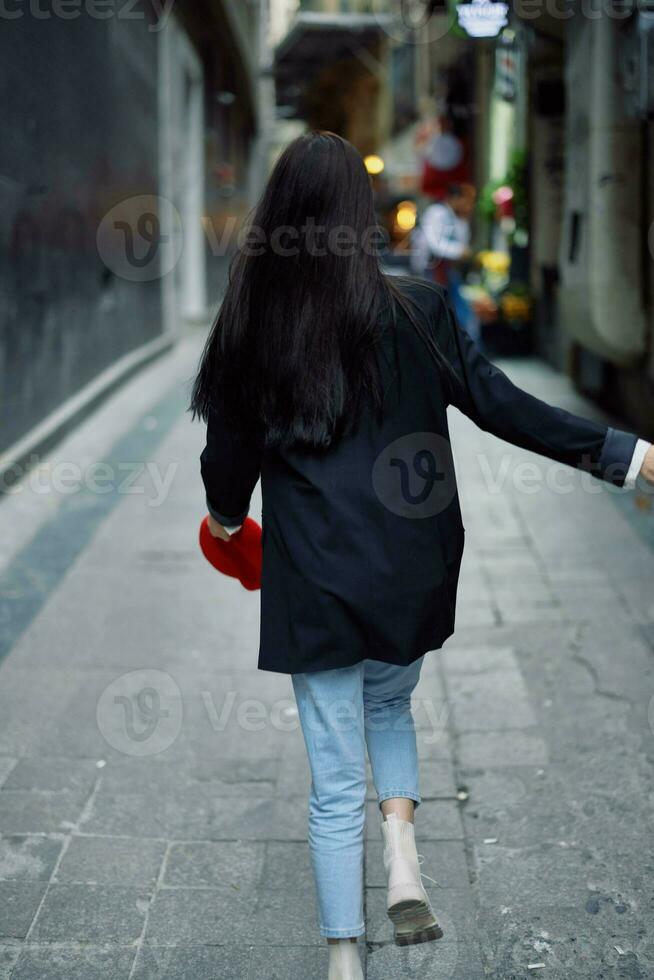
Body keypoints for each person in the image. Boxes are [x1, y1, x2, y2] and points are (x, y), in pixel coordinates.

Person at [190, 132, 653, 980]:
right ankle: (403, 851)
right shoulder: (418, 309)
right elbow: (500, 402)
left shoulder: (254, 325)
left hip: (317, 582)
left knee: (333, 777)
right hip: (408, 569)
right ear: (360, 219)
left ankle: (343, 958)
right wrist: (619, 453)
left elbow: (228, 465)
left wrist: (225, 522)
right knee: (390, 709)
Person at [411, 183, 481, 345]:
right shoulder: (437, 213)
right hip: (433, 271)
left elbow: (462, 243)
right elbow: (435, 244)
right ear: (455, 198)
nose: (470, 204)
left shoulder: (457, 218)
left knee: (456, 312)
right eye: (467, 200)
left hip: (447, 272)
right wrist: (459, 251)